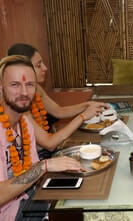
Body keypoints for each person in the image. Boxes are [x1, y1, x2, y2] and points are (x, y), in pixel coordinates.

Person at [0, 55, 85, 220]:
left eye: (30, 85)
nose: (24, 92)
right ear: (1, 88)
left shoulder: (24, 123)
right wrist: (45, 165)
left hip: (29, 201)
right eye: (15, 85)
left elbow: (32, 173)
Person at [8, 43, 108, 158]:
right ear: (24, 69)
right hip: (38, 159)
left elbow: (58, 111)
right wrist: (83, 117)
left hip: (50, 149)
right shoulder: (18, 105)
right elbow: (49, 144)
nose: (45, 68)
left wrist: (87, 105)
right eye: (39, 65)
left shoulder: (36, 89)